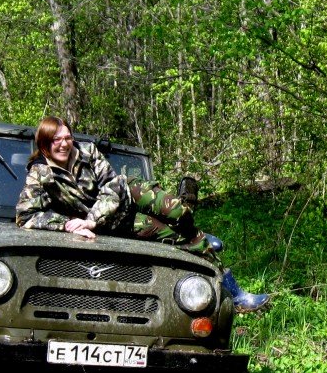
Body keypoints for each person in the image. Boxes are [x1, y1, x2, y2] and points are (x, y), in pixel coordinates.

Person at [15, 116, 269, 313]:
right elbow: (26, 216)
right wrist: (67, 224)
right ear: (44, 144)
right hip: (119, 223)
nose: (64, 144)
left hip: (128, 194)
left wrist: (90, 220)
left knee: (177, 211)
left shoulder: (88, 152)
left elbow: (112, 186)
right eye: (56, 140)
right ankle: (232, 292)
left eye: (67, 137)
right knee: (176, 237)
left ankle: (227, 279)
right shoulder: (40, 174)